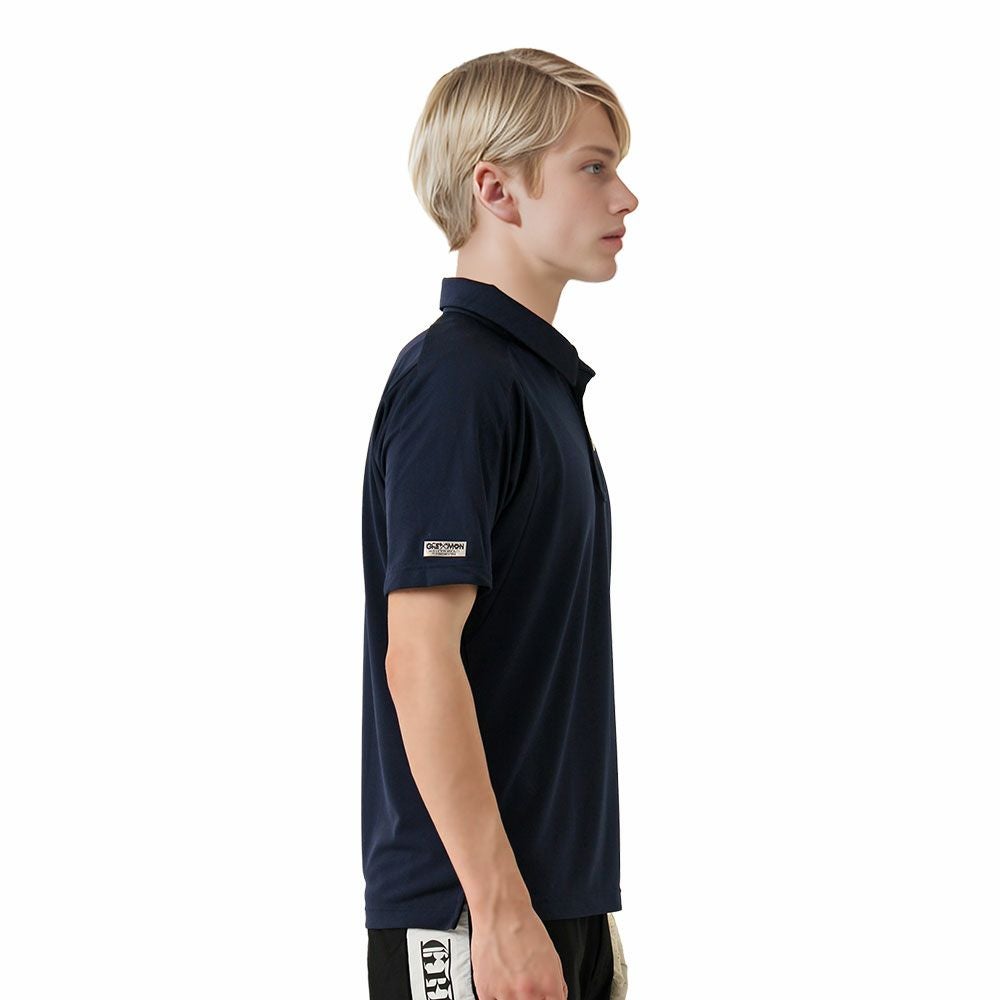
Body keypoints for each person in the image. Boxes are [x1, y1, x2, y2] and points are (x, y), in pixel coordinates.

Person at [360, 47, 638, 1000]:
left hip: (548, 903)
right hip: (469, 915)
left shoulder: (533, 383)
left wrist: (575, 912)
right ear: (496, 189)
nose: (626, 197)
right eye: (594, 167)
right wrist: (501, 911)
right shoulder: (460, 382)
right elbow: (419, 657)